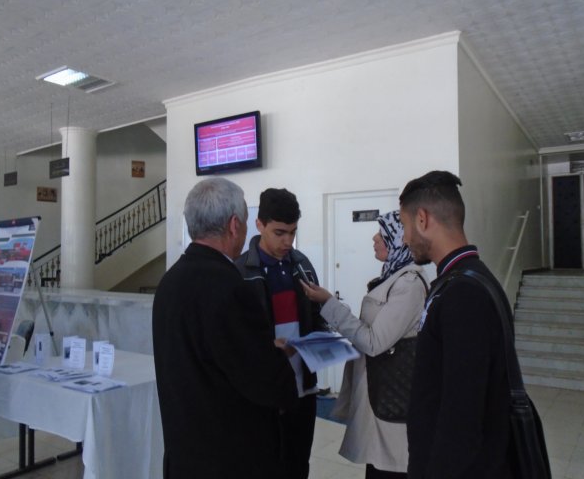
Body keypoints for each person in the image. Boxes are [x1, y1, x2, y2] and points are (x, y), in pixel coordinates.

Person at [152, 178, 298, 479]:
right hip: (229, 456)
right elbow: (263, 381)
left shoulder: (170, 281)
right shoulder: (229, 287)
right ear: (234, 225)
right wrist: (277, 358)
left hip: (184, 450)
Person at [399, 171, 513, 478]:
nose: (404, 238)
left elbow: (461, 419)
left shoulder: (464, 293)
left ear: (422, 219)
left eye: (404, 225)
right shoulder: (462, 280)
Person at [301, 210, 428, 478]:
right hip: (378, 393)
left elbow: (373, 342)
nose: (374, 238)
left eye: (382, 233)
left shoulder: (408, 284)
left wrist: (329, 304)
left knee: (388, 469)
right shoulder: (392, 277)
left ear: (399, 240)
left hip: (390, 398)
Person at [234, 187, 327, 479]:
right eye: (279, 233)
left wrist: (324, 339)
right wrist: (267, 347)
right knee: (265, 466)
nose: (288, 241)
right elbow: (233, 337)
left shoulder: (302, 265)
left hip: (303, 388)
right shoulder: (239, 272)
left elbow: (316, 317)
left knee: (298, 465)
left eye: (293, 232)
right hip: (263, 392)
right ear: (259, 225)